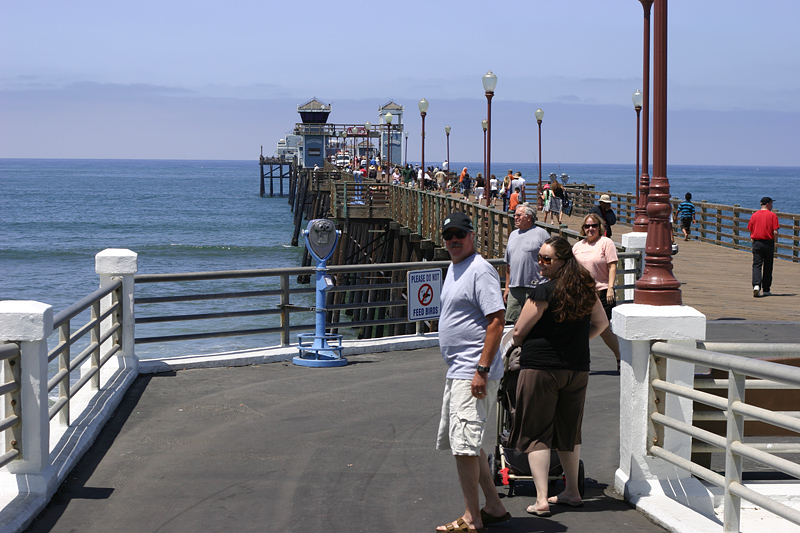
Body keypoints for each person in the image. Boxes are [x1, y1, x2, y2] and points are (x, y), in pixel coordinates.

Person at [508, 236, 608, 517]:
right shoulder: (586, 290)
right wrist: (577, 341)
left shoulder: (543, 292)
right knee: (568, 432)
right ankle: (572, 492)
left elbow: (518, 332)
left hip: (541, 368)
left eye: (546, 259)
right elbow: (602, 324)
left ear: (562, 262)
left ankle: (541, 499)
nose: (540, 262)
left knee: (538, 432)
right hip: (577, 369)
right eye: (539, 257)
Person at [435, 212, 510, 533]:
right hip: (459, 371)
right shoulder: (455, 268)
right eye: (448, 235)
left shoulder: (480, 270)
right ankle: (493, 506)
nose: (453, 240)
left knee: (464, 446)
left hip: (473, 372)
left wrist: (481, 369)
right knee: (467, 442)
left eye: (459, 235)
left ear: (471, 236)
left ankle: (471, 518)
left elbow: (496, 319)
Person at [572, 213, 621, 370]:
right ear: (583, 229)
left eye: (594, 225)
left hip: (602, 291)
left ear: (600, 227)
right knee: (579, 328)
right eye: (587, 226)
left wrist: (611, 288)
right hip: (582, 294)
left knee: (604, 330)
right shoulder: (578, 246)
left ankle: (620, 357)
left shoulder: (606, 243)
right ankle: (580, 361)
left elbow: (612, 266)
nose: (590, 228)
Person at [504, 204, 549, 324]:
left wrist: (549, 282)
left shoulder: (541, 234)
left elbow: (550, 258)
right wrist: (507, 287)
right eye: (515, 215)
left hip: (535, 287)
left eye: (519, 215)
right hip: (515, 288)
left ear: (529, 217)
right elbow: (508, 264)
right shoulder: (513, 235)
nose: (515, 217)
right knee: (512, 322)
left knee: (535, 322)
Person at [748, 196, 779, 297]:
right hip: (768, 242)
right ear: (767, 204)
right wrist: (774, 243)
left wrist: (753, 239)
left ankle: (756, 285)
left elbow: (750, 229)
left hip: (757, 242)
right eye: (771, 204)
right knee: (768, 266)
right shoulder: (772, 215)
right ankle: (766, 289)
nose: (772, 206)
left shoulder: (754, 215)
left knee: (757, 265)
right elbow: (775, 232)